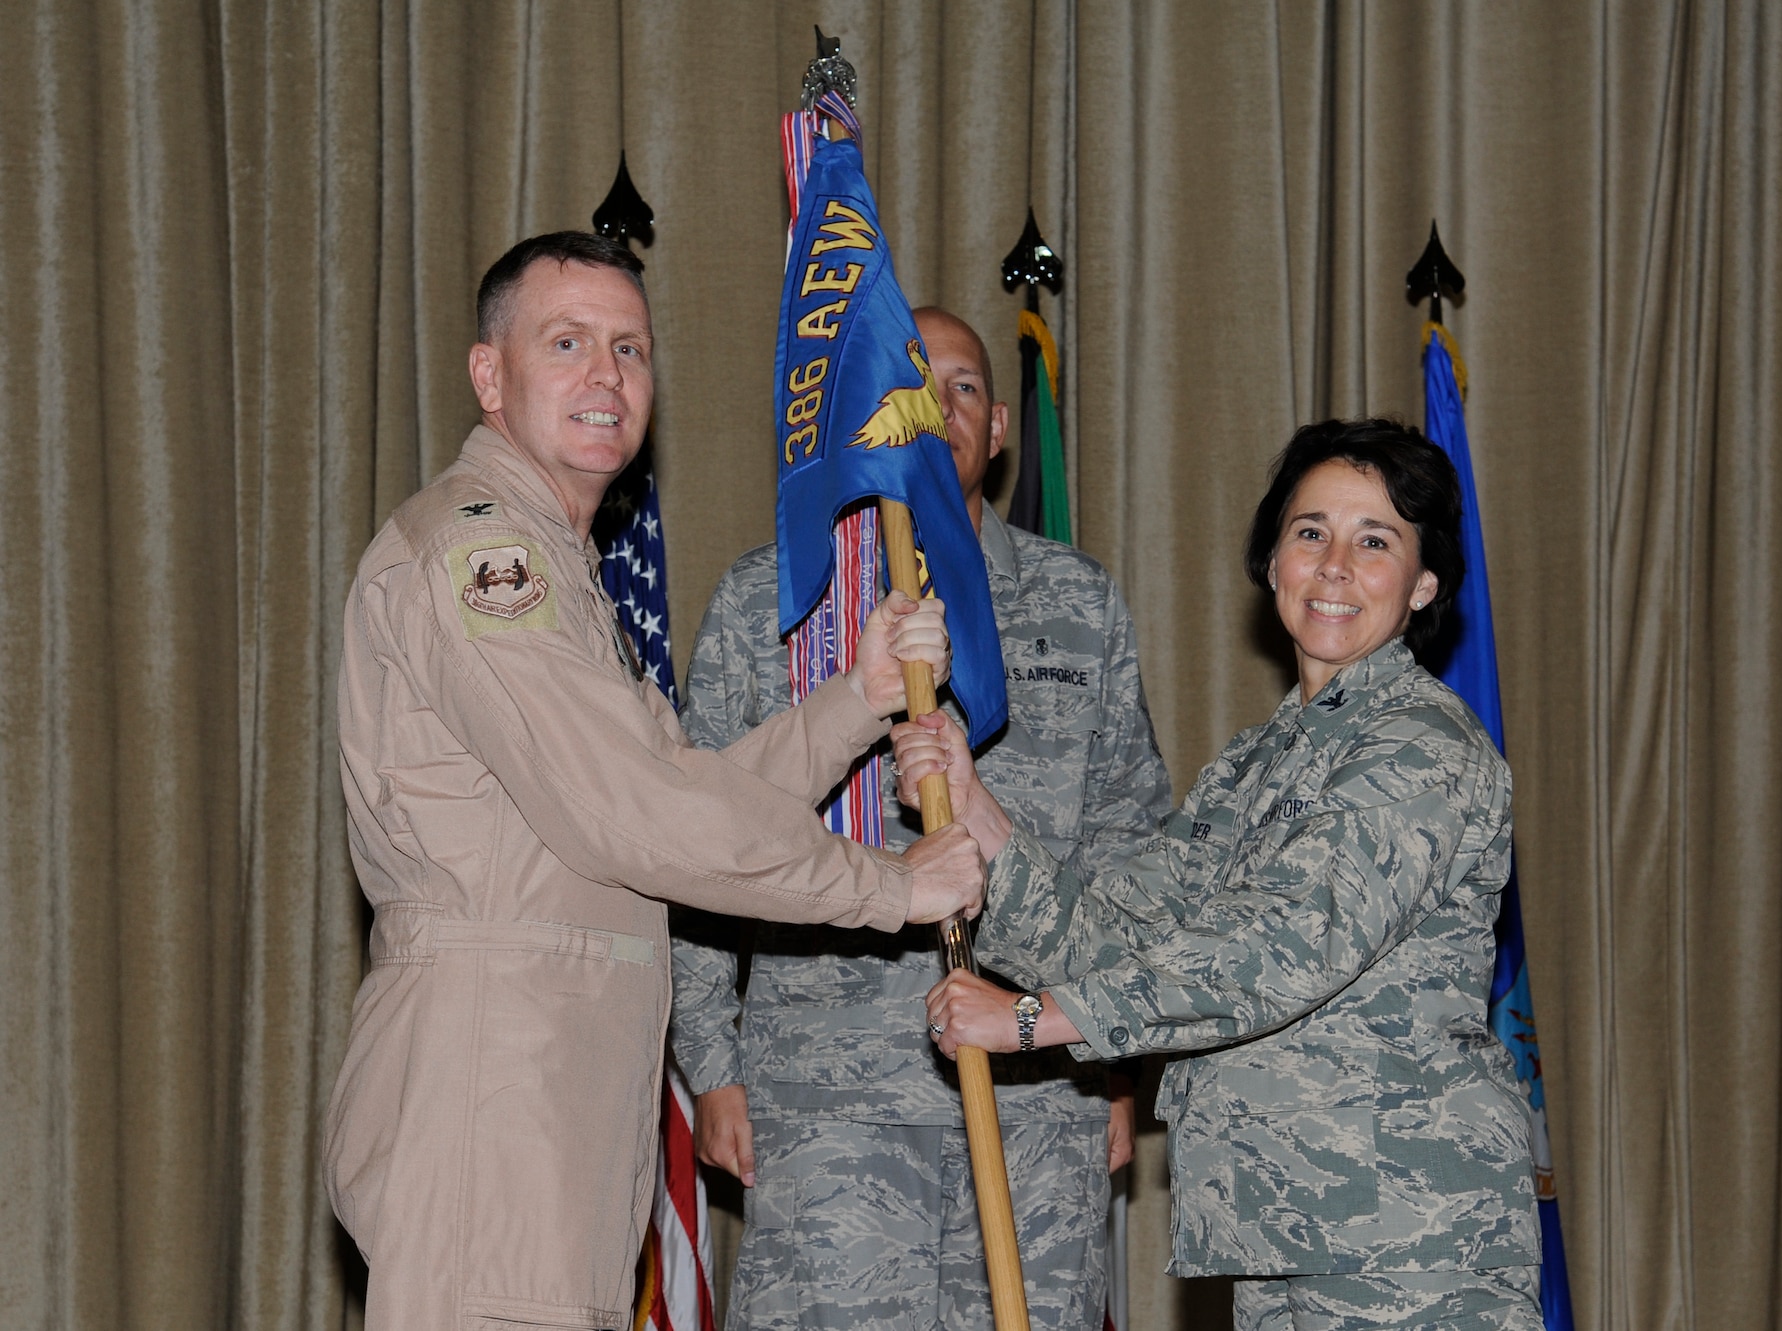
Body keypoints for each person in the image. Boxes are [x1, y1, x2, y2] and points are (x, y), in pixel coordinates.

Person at [322, 232, 986, 1331]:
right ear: (490, 376)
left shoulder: (555, 562)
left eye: (629, 348)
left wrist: (854, 702)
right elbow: (633, 816)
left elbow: (662, 788)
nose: (606, 376)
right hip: (498, 1077)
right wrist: (888, 886)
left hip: (549, 1076)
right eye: (567, 342)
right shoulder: (486, 558)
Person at [902, 419, 1543, 1330]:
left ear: (1424, 582)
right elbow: (1121, 929)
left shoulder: (1423, 744)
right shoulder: (1255, 766)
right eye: (1310, 531)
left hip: (1412, 1243)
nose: (1333, 565)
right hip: (1281, 1231)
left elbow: (1277, 946)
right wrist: (983, 817)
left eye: (1376, 541)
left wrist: (1033, 1021)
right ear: (1272, 560)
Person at [672, 306, 1173, 1329]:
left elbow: (1131, 853)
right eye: (911, 383)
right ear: (864, 415)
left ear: (996, 430)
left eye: (964, 388)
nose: (936, 407)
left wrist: (1117, 1060)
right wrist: (711, 1068)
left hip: (1039, 1098)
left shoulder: (1078, 605)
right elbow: (691, 844)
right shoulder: (771, 597)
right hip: (827, 1103)